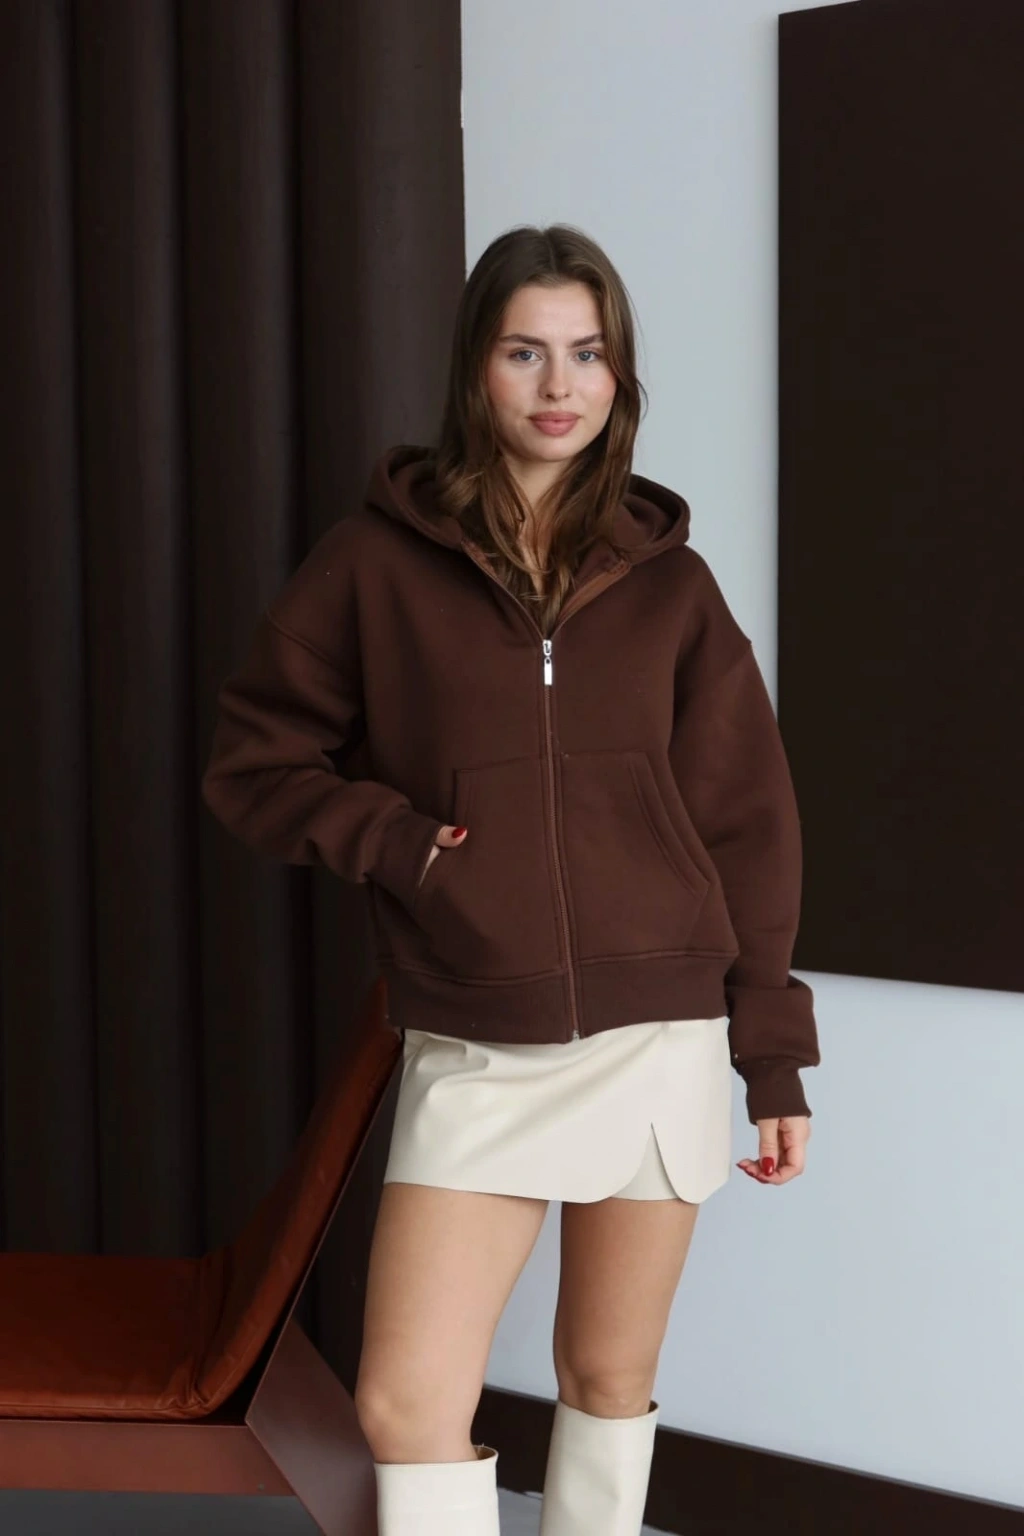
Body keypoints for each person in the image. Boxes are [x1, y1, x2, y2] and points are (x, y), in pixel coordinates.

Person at [201, 223, 820, 1536]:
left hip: (657, 1031)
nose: (559, 385)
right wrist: (401, 843)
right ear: (474, 369)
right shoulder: (373, 565)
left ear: (619, 375)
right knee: (405, 1402)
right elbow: (253, 765)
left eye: (587, 354)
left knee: (607, 1379)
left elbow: (749, 824)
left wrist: (771, 1055)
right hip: (478, 1030)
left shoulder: (672, 587)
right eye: (525, 351)